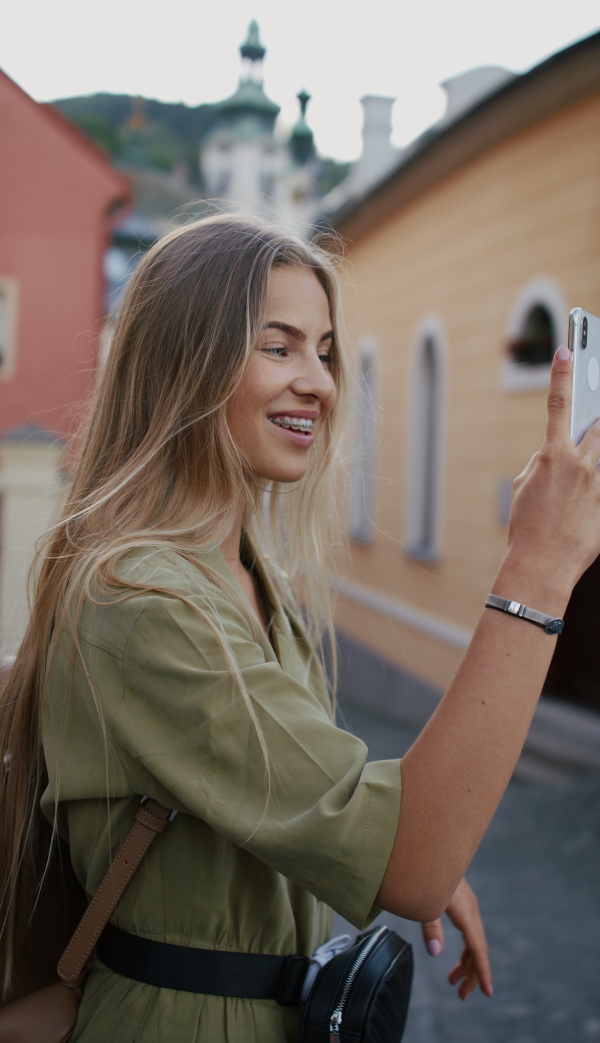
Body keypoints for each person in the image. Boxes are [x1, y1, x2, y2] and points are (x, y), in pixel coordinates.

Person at [1, 215, 600, 1043]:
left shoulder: (249, 572)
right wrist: (539, 566)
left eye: (323, 350)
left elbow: (311, 795)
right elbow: (411, 866)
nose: (319, 381)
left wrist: (380, 833)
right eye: (278, 347)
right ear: (184, 364)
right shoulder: (139, 599)